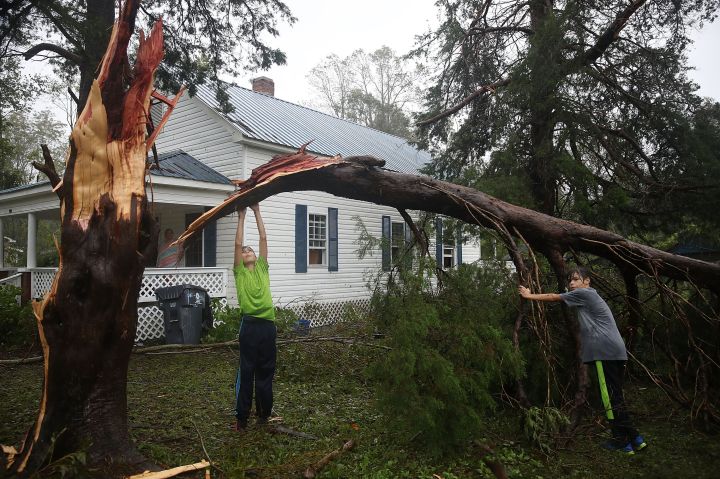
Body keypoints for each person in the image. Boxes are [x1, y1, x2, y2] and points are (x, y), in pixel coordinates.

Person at [518, 266, 647, 455]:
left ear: (587, 281)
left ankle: (622, 442)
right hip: (614, 351)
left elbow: (555, 296)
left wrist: (529, 296)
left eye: (576, 279)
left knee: (609, 397)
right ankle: (635, 438)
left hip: (604, 351)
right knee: (616, 395)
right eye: (570, 280)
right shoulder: (590, 296)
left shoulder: (585, 294)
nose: (571, 283)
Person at [233, 203, 276, 432]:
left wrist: (257, 210)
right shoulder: (239, 272)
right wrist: (242, 215)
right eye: (244, 252)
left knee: (266, 372)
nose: (246, 251)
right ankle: (241, 418)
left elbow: (263, 237)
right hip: (249, 326)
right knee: (247, 372)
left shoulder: (262, 268)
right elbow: (238, 243)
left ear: (256, 256)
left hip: (268, 326)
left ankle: (263, 414)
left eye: (250, 251)